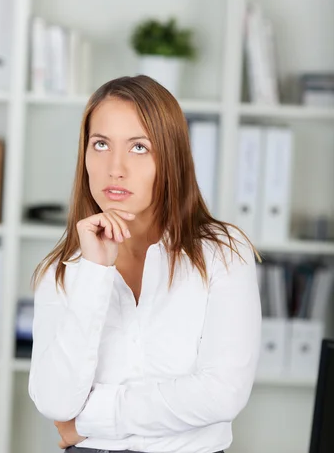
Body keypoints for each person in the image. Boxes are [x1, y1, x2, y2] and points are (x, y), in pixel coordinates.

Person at [28, 75, 262, 453]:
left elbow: (222, 394)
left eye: (139, 147)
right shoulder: (64, 270)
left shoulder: (222, 252)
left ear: (170, 156)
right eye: (100, 144)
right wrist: (94, 272)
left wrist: (88, 420)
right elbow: (55, 402)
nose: (114, 168)